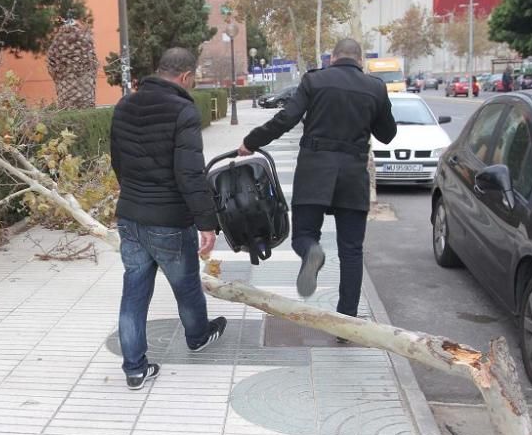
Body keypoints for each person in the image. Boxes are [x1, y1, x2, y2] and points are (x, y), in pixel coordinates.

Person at [237, 38, 396, 335]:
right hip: (353, 175)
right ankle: (347, 324)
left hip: (314, 171)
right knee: (351, 251)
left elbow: (286, 118)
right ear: (360, 60)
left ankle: (312, 251)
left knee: (304, 234)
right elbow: (388, 134)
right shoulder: (374, 87)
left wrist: (251, 142)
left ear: (332, 58)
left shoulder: (315, 81)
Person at [110, 48, 228, 390]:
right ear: (186, 77)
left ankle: (134, 368)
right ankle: (198, 335)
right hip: (169, 220)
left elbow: (118, 159)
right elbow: (190, 174)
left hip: (130, 215)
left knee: (134, 289)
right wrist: (207, 223)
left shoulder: (124, 105)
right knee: (186, 284)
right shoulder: (183, 110)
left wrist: (134, 194)